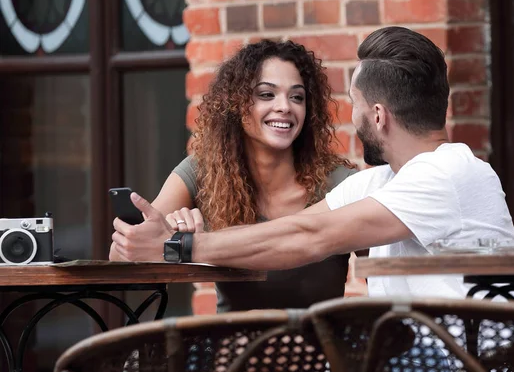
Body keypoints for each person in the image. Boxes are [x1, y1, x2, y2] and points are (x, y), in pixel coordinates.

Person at [110, 26, 514, 301]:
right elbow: (290, 231)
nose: (352, 118)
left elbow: (310, 235)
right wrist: (169, 242)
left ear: (377, 116)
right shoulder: (381, 183)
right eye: (266, 95)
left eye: (355, 106)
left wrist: (178, 247)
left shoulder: (448, 172)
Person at [111, 39, 356, 312]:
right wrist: (167, 234)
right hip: (232, 349)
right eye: (266, 95)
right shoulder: (204, 172)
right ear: (237, 104)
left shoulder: (340, 184)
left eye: (297, 97)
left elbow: (386, 267)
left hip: (317, 350)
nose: (285, 106)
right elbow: (120, 258)